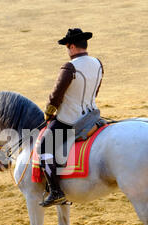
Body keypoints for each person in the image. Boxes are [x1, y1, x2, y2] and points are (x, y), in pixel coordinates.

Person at [38, 28, 104, 207]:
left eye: (67, 48)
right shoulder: (98, 63)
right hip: (93, 115)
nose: (68, 51)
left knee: (44, 148)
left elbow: (56, 95)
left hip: (70, 120)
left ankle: (57, 192)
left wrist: (49, 113)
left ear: (73, 46)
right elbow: (95, 90)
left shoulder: (70, 67)